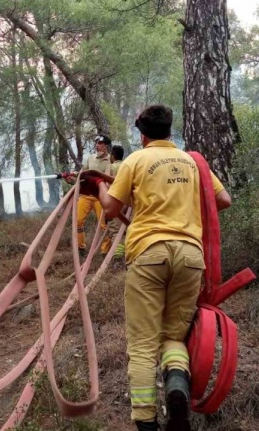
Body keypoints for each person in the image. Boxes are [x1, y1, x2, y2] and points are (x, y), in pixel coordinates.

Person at [80, 105, 231, 431]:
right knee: (174, 336)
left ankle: (146, 421)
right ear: (169, 130)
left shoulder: (135, 160)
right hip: (191, 257)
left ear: (142, 134)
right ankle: (177, 383)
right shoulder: (193, 162)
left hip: (149, 255)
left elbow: (109, 209)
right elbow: (223, 201)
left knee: (143, 344)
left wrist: (99, 187)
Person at [76, 134, 113, 256]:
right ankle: (80, 248)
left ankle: (105, 251)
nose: (97, 146)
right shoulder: (90, 158)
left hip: (100, 197)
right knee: (78, 221)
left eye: (100, 143)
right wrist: (72, 177)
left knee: (103, 225)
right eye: (96, 143)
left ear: (106, 145)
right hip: (86, 195)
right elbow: (83, 173)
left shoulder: (110, 160)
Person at [106, 145, 126, 258]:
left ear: (112, 156)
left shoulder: (110, 167)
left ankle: (118, 257)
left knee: (115, 231)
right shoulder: (127, 166)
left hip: (115, 202)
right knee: (127, 230)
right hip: (129, 204)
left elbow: (107, 185)